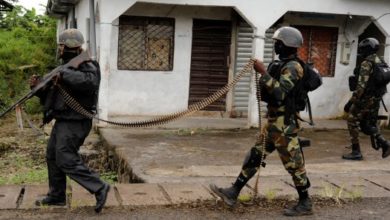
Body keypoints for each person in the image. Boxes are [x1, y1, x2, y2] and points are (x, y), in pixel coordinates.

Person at [209, 26, 312, 216]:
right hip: (273, 123)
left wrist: (263, 72)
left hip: (284, 125)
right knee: (255, 156)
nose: (276, 46)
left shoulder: (293, 67)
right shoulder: (283, 64)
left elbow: (280, 93)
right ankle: (234, 192)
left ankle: (305, 203)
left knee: (294, 165)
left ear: (286, 45)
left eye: (278, 43)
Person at [30, 28, 110, 213]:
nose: (59, 50)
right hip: (63, 120)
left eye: (61, 46)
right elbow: (53, 95)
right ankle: (57, 196)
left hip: (76, 120)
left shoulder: (87, 64)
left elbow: (90, 83)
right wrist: (38, 88)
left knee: (66, 159)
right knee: (52, 156)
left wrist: (64, 75)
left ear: (71, 47)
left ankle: (99, 187)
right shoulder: (64, 67)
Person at [342, 37, 390, 160]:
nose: (361, 51)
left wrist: (350, 102)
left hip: (365, 99)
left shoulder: (366, 63)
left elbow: (361, 87)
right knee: (366, 123)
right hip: (376, 99)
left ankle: (356, 151)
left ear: (366, 49)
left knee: (352, 121)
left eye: (362, 49)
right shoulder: (380, 61)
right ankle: (385, 144)